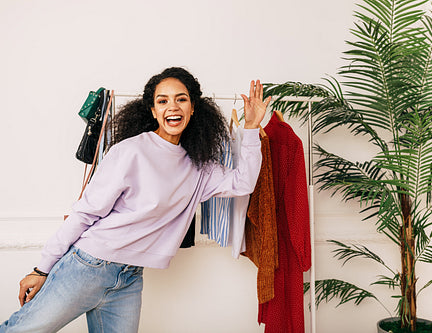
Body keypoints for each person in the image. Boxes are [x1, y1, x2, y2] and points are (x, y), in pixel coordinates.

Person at [0, 67, 271, 333]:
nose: (172, 107)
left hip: (130, 278)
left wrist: (250, 127)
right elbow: (84, 214)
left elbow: (243, 183)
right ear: (153, 111)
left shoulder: (198, 166)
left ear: (193, 108)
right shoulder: (130, 152)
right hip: (88, 266)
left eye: (181, 99)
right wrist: (41, 269)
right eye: (162, 101)